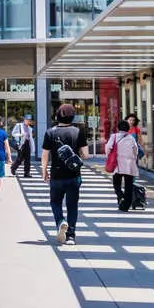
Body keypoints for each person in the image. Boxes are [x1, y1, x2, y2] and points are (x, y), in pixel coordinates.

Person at [43, 103, 88, 243]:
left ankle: (61, 221)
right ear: (72, 116)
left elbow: (45, 155)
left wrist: (44, 171)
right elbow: (85, 154)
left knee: (55, 202)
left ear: (57, 116)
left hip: (56, 175)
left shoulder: (50, 132)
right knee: (72, 205)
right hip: (74, 175)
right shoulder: (78, 131)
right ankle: (71, 236)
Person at [105, 117, 144, 211]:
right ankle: (125, 206)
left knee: (116, 183)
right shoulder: (131, 138)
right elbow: (136, 150)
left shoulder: (114, 136)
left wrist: (109, 157)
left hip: (117, 164)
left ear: (118, 128)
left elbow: (108, 148)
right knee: (128, 185)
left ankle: (120, 195)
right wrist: (133, 159)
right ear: (128, 129)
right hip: (129, 164)